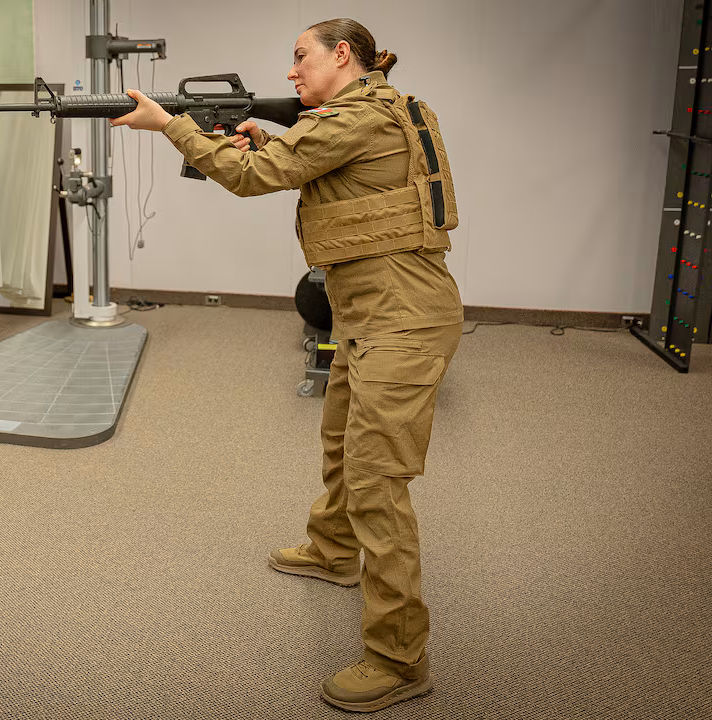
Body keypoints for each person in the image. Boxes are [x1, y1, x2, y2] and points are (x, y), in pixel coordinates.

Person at [112, 18, 463, 714]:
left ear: (342, 54)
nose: (292, 73)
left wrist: (170, 125)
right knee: (338, 438)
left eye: (300, 57)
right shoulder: (380, 108)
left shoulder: (359, 114)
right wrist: (271, 138)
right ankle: (334, 551)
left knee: (375, 481)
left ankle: (400, 659)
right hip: (371, 312)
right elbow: (315, 164)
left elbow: (252, 177)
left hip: (401, 318)